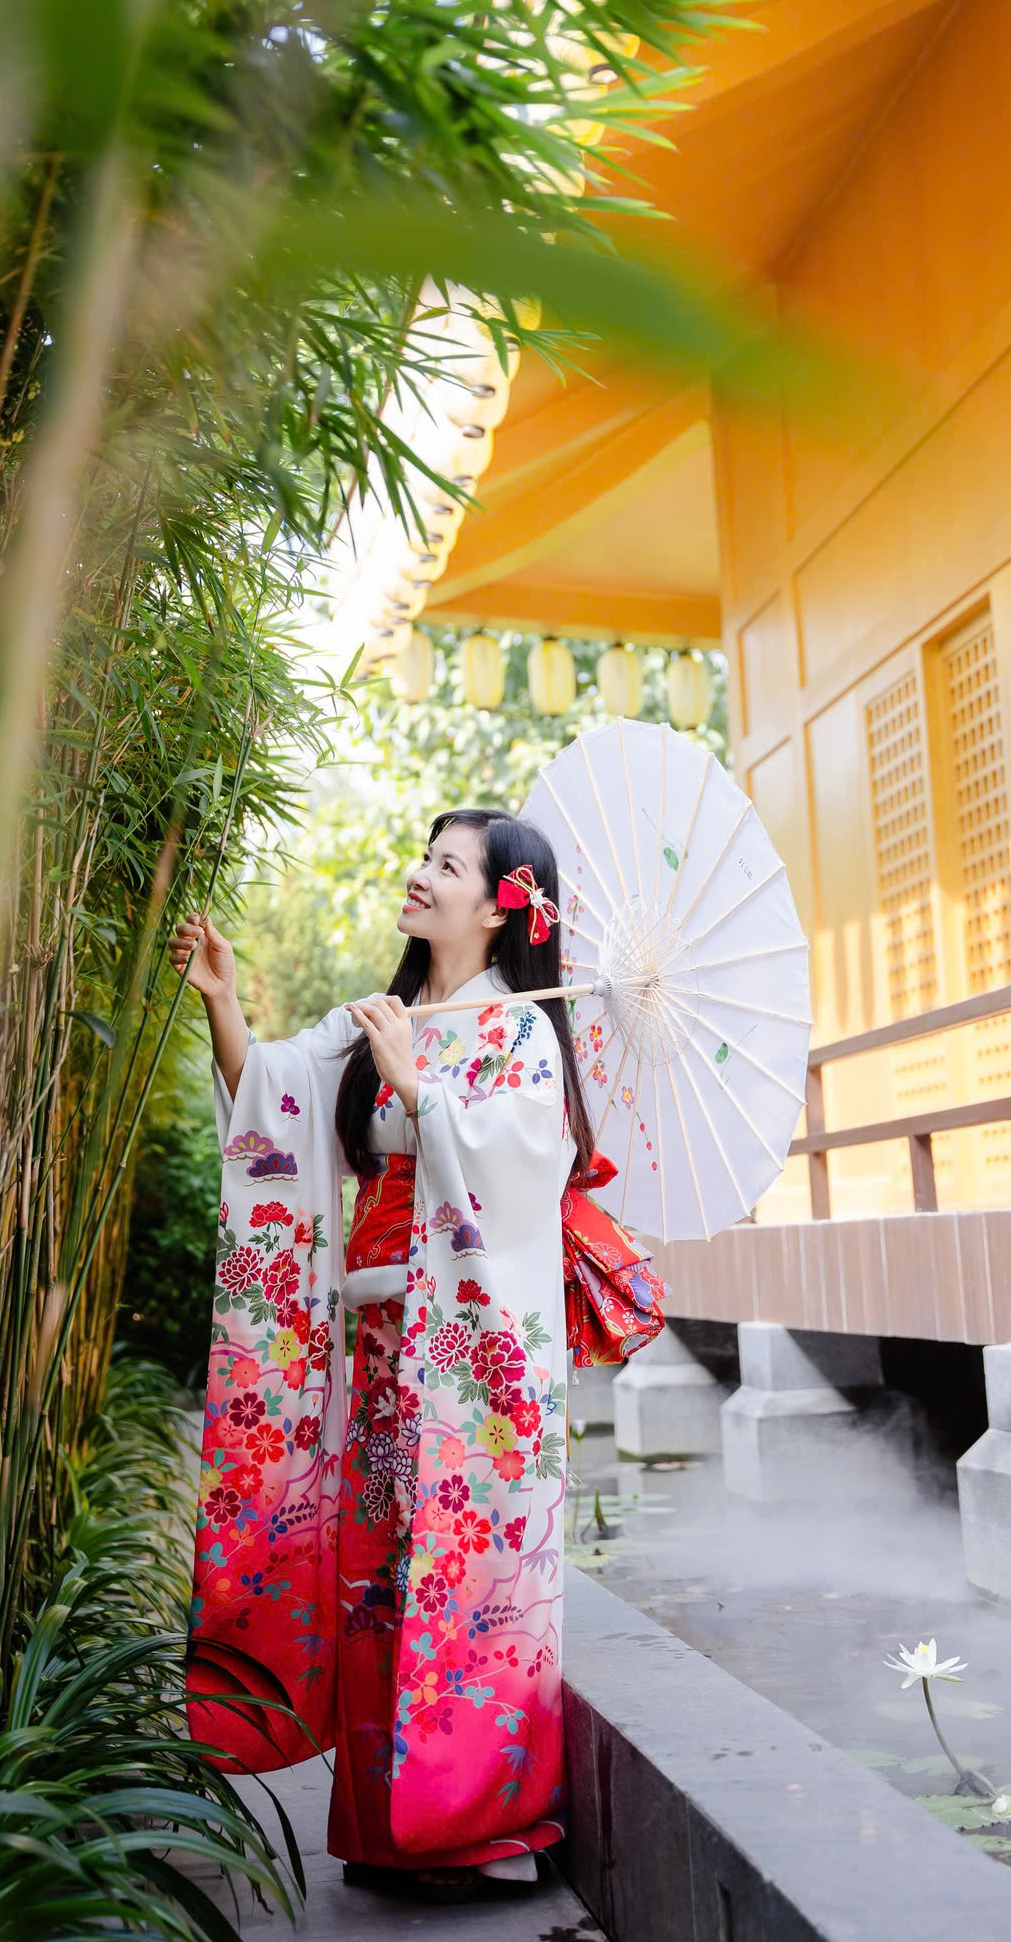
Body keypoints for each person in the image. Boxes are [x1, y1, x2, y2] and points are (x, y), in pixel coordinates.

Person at [169, 807, 597, 1901]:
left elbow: (522, 1172)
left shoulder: (520, 1031)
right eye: (424, 855)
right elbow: (272, 1104)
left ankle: (481, 1828)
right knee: (376, 1579)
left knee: (465, 1576)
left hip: (467, 1365)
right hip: (377, 1349)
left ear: (499, 906)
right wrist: (224, 1001)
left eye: (446, 864)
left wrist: (420, 1089)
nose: (419, 874)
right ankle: (384, 1830)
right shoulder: (381, 1018)